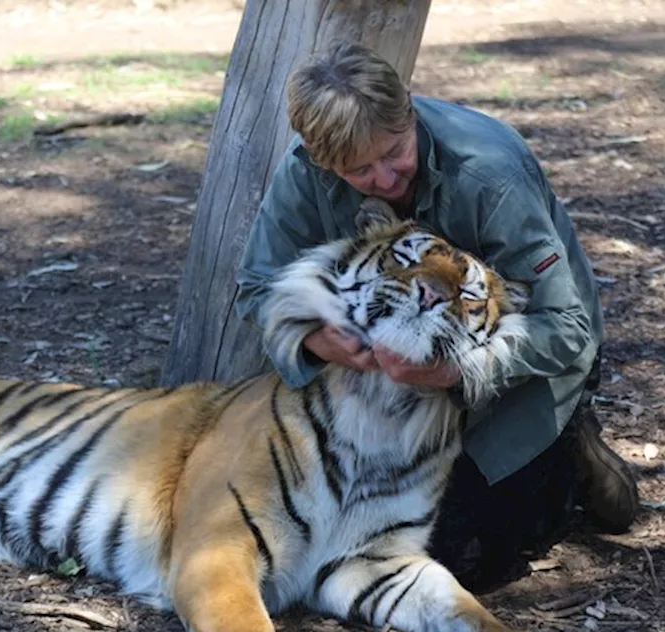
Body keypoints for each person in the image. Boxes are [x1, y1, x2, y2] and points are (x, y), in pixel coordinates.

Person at [235, 42, 640, 593]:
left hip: (514, 356)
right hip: (383, 378)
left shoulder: (488, 174)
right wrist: (318, 340)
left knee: (456, 559)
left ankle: (569, 452)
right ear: (317, 155)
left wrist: (458, 373)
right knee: (332, 536)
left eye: (395, 152)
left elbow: (570, 328)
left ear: (409, 113)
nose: (385, 178)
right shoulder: (303, 172)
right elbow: (256, 286)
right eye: (359, 170)